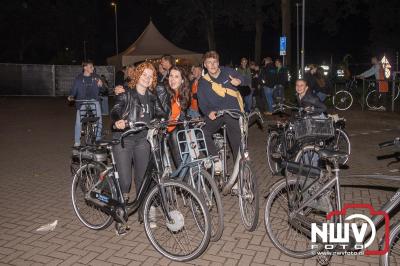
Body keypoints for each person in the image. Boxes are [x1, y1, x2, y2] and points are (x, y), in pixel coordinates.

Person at [110, 62, 165, 220]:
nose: (147, 78)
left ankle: (144, 213)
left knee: (143, 179)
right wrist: (118, 121)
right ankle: (119, 215)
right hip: (124, 140)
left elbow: (161, 113)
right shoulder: (126, 94)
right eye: (144, 75)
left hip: (143, 140)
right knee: (125, 181)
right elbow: (115, 110)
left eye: (150, 76)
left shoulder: (152, 97)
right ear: (137, 75)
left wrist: (160, 121)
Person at [197, 51, 243, 172]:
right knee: (201, 132)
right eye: (209, 62)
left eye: (214, 62)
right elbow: (202, 102)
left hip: (231, 112)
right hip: (216, 114)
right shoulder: (203, 81)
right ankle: (215, 159)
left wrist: (239, 81)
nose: (212, 65)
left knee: (236, 144)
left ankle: (239, 174)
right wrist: (208, 112)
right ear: (205, 65)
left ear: (218, 63)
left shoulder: (227, 72)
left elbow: (244, 77)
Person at [68, 60, 103, 146]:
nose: (93, 68)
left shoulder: (96, 76)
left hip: (94, 100)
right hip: (82, 101)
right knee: (78, 121)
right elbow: (74, 90)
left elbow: (103, 90)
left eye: (93, 66)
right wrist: (71, 96)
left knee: (99, 120)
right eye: (91, 67)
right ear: (85, 67)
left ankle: (98, 138)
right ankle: (77, 141)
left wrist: (101, 85)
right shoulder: (79, 78)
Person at [165, 66, 192, 167]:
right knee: (175, 134)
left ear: (182, 80)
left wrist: (188, 130)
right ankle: (183, 174)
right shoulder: (164, 92)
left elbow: (183, 115)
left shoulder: (183, 95)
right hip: (165, 130)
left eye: (176, 76)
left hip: (177, 129)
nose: (172, 79)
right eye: (171, 76)